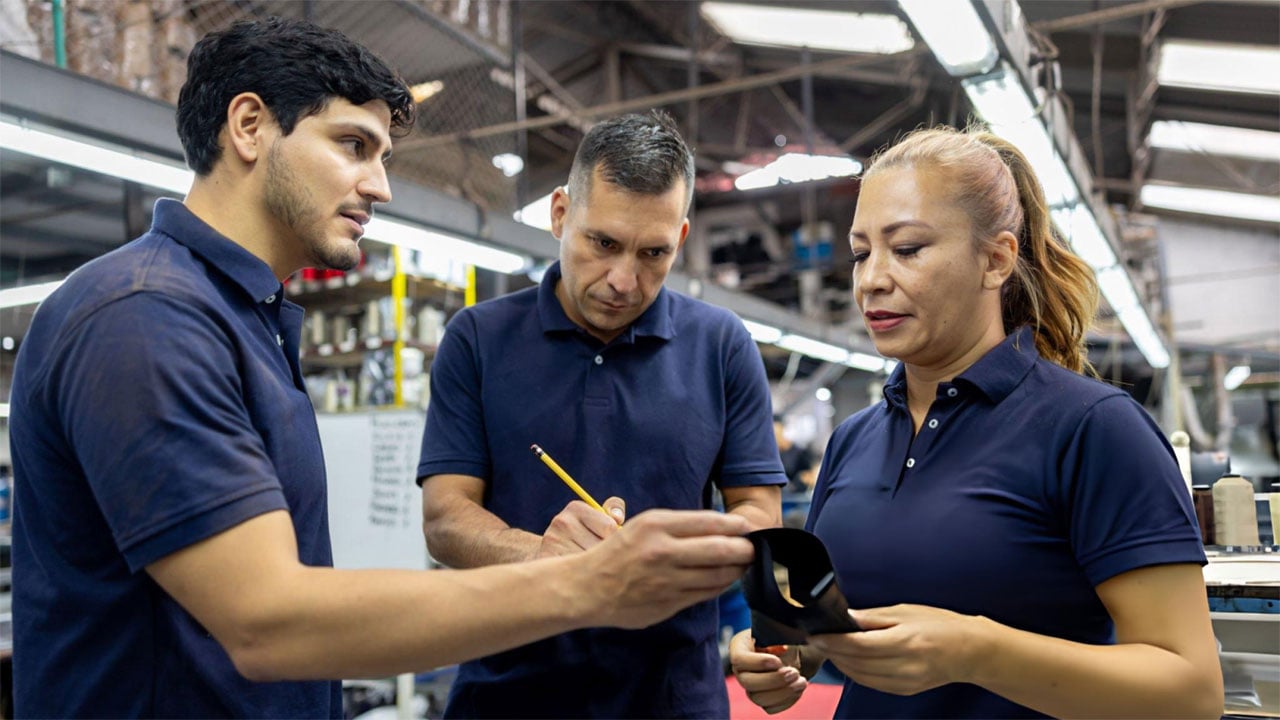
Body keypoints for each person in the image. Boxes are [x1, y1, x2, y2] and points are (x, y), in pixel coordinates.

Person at [8, 18, 757, 718]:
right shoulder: (148, 318)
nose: (380, 185)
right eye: (353, 145)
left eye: (383, 157)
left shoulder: (245, 323)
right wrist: (581, 582)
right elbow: (269, 621)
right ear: (248, 126)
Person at [730, 126, 1222, 719]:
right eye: (861, 252)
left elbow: (1191, 693)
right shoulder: (853, 440)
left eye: (907, 248)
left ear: (996, 261)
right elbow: (833, 622)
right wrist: (782, 650)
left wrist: (978, 653)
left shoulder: (1095, 430)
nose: (870, 279)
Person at [418, 110, 785, 718]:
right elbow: (444, 519)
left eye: (653, 254)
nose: (624, 280)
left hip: (673, 698)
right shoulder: (477, 339)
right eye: (604, 244)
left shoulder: (722, 345)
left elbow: (760, 515)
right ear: (560, 213)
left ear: (683, 239)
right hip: (507, 697)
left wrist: (668, 560)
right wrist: (542, 557)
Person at [774, 415, 817, 494]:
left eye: (776, 433)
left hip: (798, 500)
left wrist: (801, 481)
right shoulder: (772, 455)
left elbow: (811, 477)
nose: (775, 437)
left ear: (782, 430)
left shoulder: (799, 452)